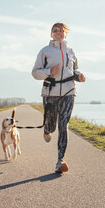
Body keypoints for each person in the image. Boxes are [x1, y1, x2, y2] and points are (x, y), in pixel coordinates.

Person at [32, 22, 86, 173]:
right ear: (51, 34)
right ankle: (47, 129)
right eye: (55, 31)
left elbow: (74, 70)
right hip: (50, 92)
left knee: (63, 124)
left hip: (69, 92)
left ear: (65, 34)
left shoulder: (71, 51)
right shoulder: (45, 51)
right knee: (52, 125)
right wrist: (50, 71)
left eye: (61, 31)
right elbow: (35, 72)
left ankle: (60, 160)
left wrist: (79, 76)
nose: (58, 33)